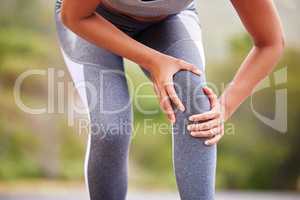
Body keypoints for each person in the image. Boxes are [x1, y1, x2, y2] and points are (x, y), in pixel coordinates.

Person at [54, 0, 284, 199]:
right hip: (90, 18)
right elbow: (74, 16)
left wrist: (223, 108)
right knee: (111, 128)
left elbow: (270, 42)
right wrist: (155, 61)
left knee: (198, 108)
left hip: (167, 21)